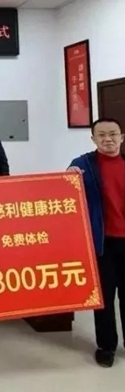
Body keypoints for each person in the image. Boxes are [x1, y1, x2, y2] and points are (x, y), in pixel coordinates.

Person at [68, 118, 125, 368]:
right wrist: (69, 176)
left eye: (113, 134)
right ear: (93, 139)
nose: (108, 139)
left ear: (122, 137)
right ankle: (106, 346)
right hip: (102, 243)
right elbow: (66, 183)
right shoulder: (84, 165)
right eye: (101, 135)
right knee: (104, 299)